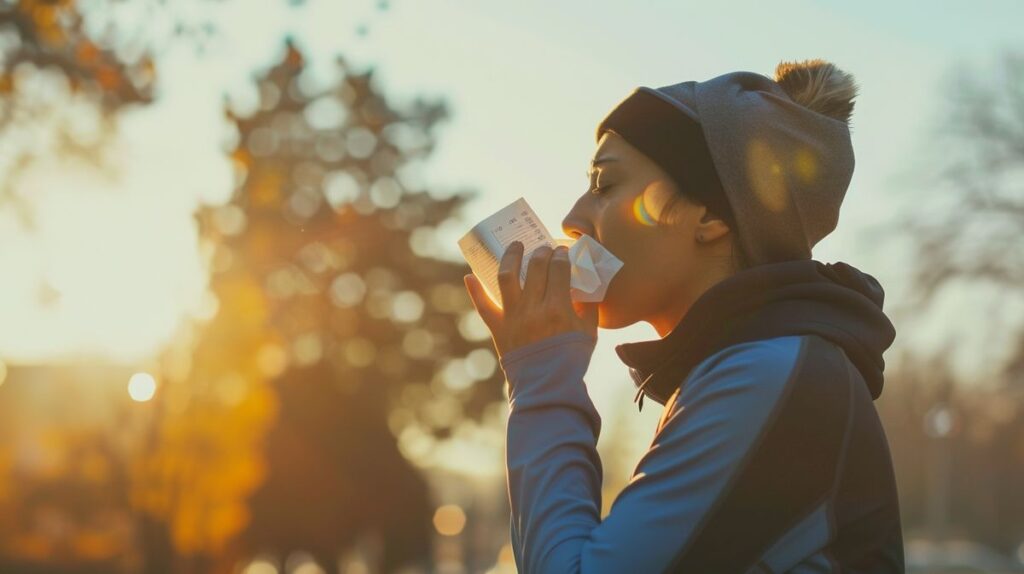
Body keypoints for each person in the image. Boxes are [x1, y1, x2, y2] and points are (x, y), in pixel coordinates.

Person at [463, 59, 904, 573]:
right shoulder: (751, 369)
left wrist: (542, 378)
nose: (571, 218)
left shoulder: (767, 375)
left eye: (605, 185)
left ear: (712, 214)